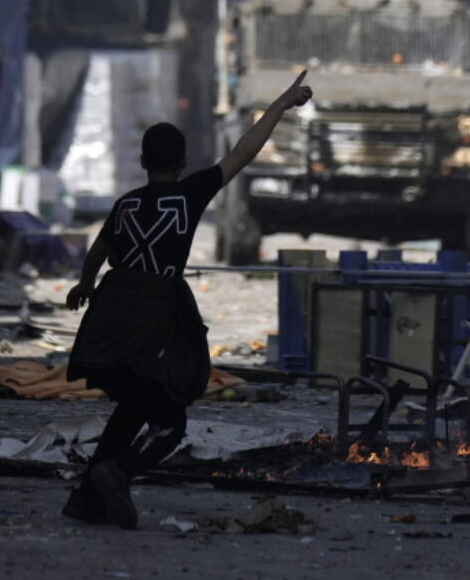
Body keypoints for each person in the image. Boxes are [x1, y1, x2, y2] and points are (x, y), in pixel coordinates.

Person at [61, 70, 312, 529]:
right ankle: (118, 473)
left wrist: (85, 285)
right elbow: (243, 152)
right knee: (170, 422)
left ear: (142, 161)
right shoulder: (189, 195)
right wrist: (281, 103)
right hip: (156, 319)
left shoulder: (126, 204)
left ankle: (86, 496)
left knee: (132, 405)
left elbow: (98, 249)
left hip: (113, 315)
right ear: (182, 161)